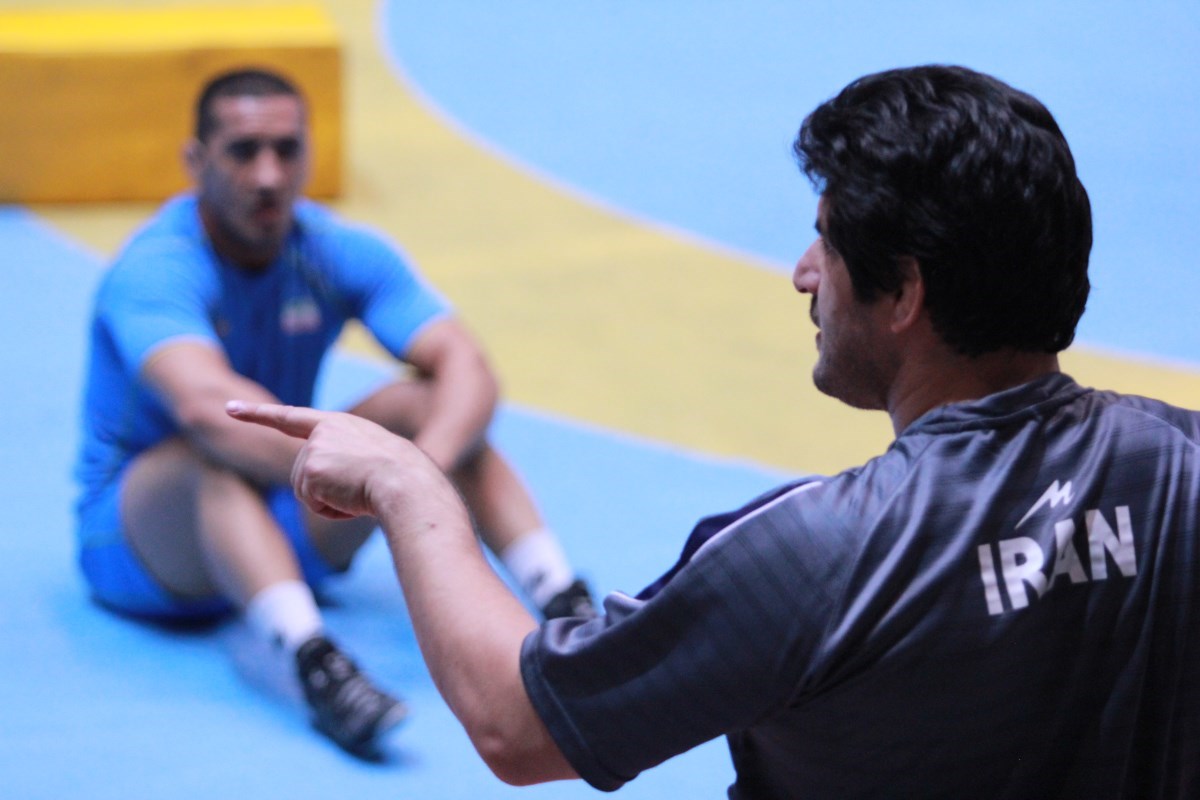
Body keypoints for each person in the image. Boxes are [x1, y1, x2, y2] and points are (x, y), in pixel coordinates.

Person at [228, 64, 1200, 797]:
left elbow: (516, 727)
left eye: (827, 240)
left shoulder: (815, 554)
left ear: (904, 292)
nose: (804, 273)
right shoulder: (1184, 465)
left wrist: (409, 487)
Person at [73, 67, 596, 761]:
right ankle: (313, 661)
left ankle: (569, 608)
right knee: (213, 455)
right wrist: (385, 475)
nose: (268, 174)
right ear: (195, 161)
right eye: (243, 151)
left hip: (281, 512)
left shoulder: (334, 249)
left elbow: (468, 366)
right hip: (144, 546)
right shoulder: (156, 269)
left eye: (286, 150)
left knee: (421, 405)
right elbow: (208, 410)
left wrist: (421, 469)